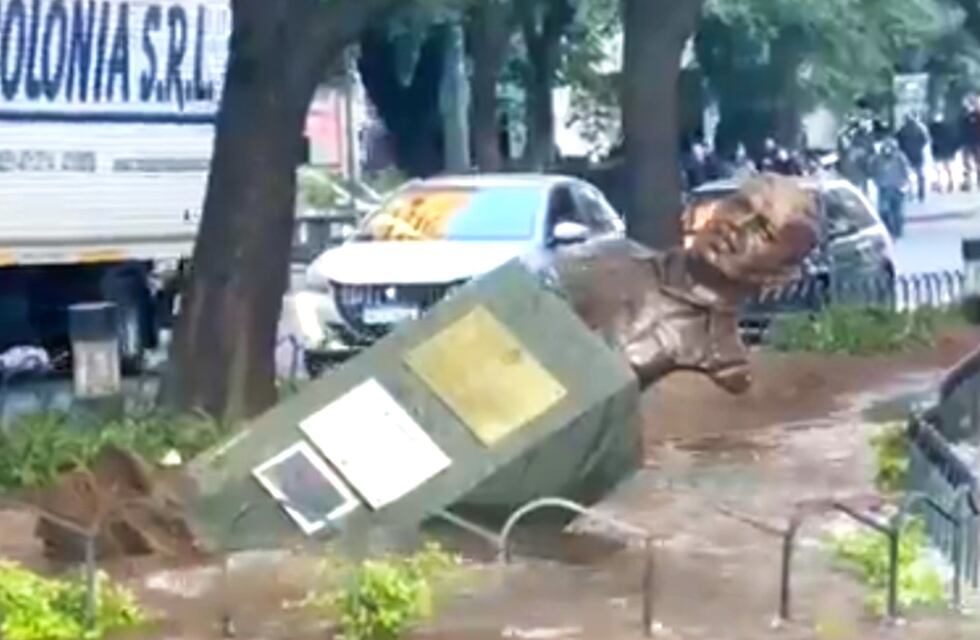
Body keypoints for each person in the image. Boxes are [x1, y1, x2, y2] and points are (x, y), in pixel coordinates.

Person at [872, 138, 911, 238]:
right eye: (886, 148)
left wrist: (906, 184)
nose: (888, 150)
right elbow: (873, 170)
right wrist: (877, 181)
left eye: (890, 148)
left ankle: (897, 230)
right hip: (885, 189)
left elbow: (906, 171)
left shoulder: (899, 157)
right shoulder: (878, 159)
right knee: (884, 211)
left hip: (897, 188)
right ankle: (889, 230)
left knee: (897, 211)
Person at [896, 113, 929, 202]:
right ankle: (921, 194)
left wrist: (902, 150)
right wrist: (919, 147)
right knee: (920, 175)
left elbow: (898, 142)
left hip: (907, 155)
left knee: (907, 175)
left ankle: (910, 194)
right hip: (918, 154)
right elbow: (925, 140)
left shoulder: (902, 130)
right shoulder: (920, 128)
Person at [930, 113, 958, 192]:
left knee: (938, 168)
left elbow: (931, 139)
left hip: (938, 150)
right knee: (946, 167)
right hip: (944, 150)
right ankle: (949, 182)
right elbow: (951, 139)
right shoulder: (947, 127)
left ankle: (941, 183)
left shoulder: (932, 127)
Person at [960, 98, 980, 191]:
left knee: (977, 162)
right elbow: (962, 129)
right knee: (966, 163)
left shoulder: (978, 115)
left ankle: (978, 180)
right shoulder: (965, 116)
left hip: (977, 142)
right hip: (967, 142)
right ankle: (967, 182)